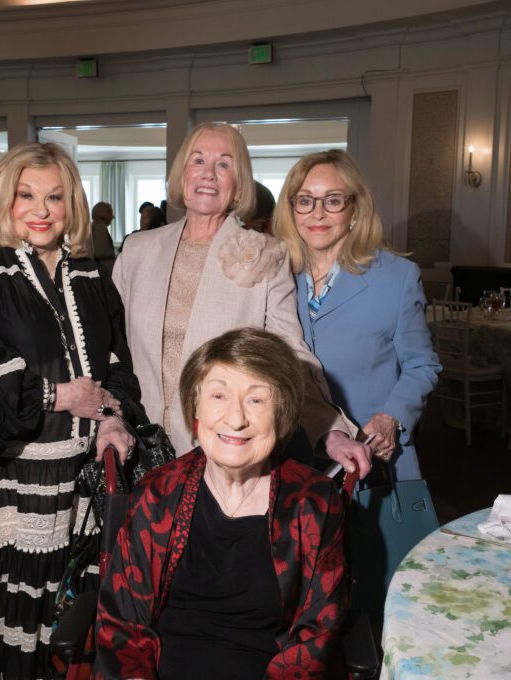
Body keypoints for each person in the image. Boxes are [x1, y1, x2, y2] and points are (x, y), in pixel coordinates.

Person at [0, 142, 142, 679]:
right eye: (27, 195)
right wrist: (59, 396)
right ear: (3, 199)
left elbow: (117, 366)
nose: (41, 210)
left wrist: (111, 414)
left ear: (73, 206)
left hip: (69, 488)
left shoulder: (89, 274)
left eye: (55, 197)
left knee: (56, 635)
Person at [112, 122, 370, 477]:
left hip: (221, 451)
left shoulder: (267, 255)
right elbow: (110, 349)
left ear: (238, 184)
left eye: (224, 164)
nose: (209, 174)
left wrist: (329, 430)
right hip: (138, 449)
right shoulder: (137, 251)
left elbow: (288, 355)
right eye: (198, 160)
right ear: (182, 173)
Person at [94, 328, 348, 679]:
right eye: (218, 395)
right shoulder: (157, 494)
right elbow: (123, 626)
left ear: (282, 413)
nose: (236, 418)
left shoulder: (314, 503)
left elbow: (316, 637)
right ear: (195, 407)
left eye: (257, 399)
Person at [274, 150, 441, 481]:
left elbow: (422, 366)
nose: (317, 213)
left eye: (333, 200)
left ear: (354, 209)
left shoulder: (396, 277)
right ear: (292, 210)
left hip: (371, 457)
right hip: (294, 456)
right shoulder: (276, 276)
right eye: (305, 200)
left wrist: (390, 418)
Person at [90, 201, 117, 277]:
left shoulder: (94, 225)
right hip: (104, 271)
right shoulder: (100, 227)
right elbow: (100, 252)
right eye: (110, 213)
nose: (112, 217)